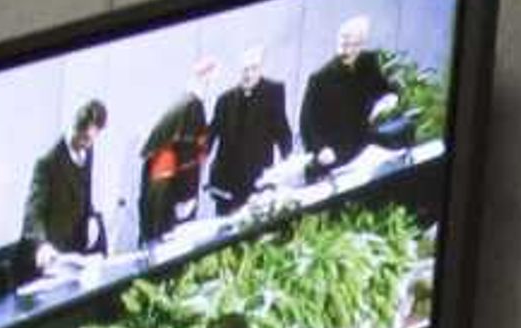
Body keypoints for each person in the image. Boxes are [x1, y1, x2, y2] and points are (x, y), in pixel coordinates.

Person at [297, 16, 410, 172]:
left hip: (367, 136)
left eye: (354, 45)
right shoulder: (319, 78)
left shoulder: (369, 61)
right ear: (338, 42)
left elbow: (386, 88)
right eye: (344, 44)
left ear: (362, 44)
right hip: (337, 147)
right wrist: (321, 149)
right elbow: (306, 124)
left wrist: (389, 98)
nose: (347, 50)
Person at [138, 59, 220, 244]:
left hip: (161, 186)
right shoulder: (192, 106)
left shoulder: (184, 104)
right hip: (169, 189)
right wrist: (187, 195)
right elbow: (187, 154)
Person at [26, 100, 107, 271]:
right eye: (85, 139)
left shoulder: (88, 149)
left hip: (79, 244)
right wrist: (41, 245)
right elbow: (33, 211)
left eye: (93, 140)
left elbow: (83, 189)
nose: (89, 144)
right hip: (56, 250)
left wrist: (91, 216)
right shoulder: (48, 161)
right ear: (76, 128)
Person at [209, 45, 293, 208]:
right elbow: (211, 135)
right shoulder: (225, 100)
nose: (248, 74)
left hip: (258, 175)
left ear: (260, 68)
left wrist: (287, 163)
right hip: (227, 179)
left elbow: (282, 130)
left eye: (253, 69)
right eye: (244, 70)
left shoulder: (273, 91)